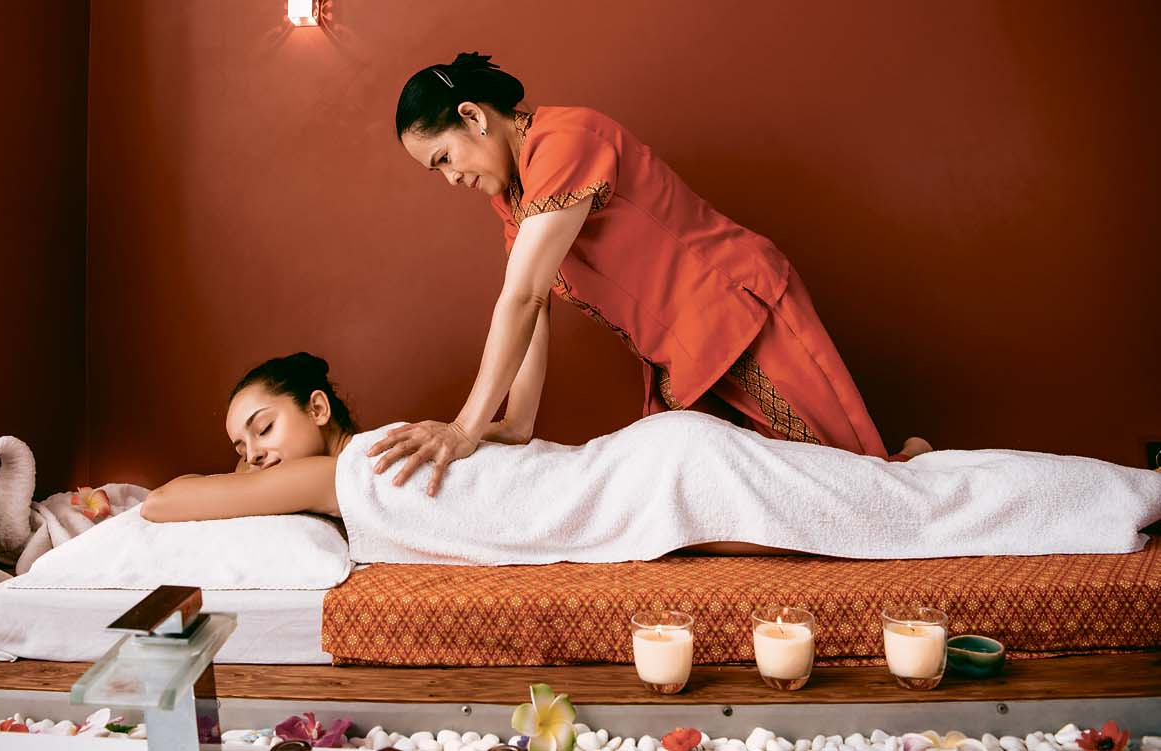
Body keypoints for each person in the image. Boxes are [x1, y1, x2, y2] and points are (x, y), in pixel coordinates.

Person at [375, 52, 927, 497]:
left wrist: (465, 427)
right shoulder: (513, 200)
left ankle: (917, 463)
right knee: (743, 504)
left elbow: (522, 298)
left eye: (443, 158)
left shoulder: (565, 140)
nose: (450, 179)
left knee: (856, 487)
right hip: (679, 362)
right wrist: (517, 423)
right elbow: (534, 308)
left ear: (473, 117)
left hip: (741, 317)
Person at [139, 354, 1161, 563]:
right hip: (656, 478)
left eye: (260, 429)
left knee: (909, 515)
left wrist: (131, 498)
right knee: (902, 505)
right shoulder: (386, 457)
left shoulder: (357, 463)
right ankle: (1122, 492)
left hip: (664, 474)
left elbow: (171, 503)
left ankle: (1133, 492)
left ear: (317, 409)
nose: (252, 459)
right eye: (241, 448)